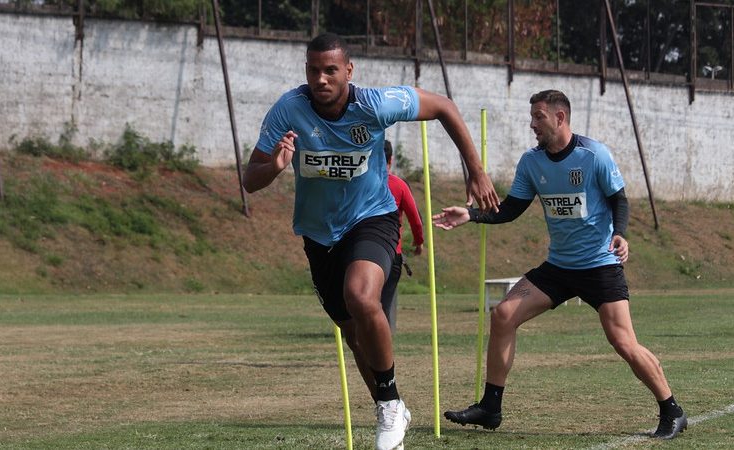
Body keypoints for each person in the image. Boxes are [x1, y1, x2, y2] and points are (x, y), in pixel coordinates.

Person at [242, 33, 499, 450]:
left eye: (330, 70)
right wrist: (273, 165)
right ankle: (390, 402)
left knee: (362, 298)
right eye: (313, 70)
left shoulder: (376, 104)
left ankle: (389, 409)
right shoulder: (289, 109)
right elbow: (250, 180)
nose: (321, 79)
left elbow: (444, 107)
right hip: (318, 234)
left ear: (348, 70)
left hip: (372, 219)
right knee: (353, 334)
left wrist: (475, 168)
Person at [433, 89, 687, 440]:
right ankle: (491, 408)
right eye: (532, 117)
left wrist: (621, 234)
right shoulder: (531, 162)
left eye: (538, 116)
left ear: (559, 118)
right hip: (559, 267)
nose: (532, 124)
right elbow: (510, 211)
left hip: (599, 266)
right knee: (503, 315)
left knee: (623, 342)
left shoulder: (593, 155)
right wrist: (471, 215)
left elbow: (620, 200)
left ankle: (672, 410)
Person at [380, 140, 424, 333]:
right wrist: (418, 242)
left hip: (359, 254)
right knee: (383, 307)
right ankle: (382, 356)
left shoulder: (357, 183)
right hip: (391, 255)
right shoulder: (399, 185)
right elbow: (416, 220)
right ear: (390, 159)